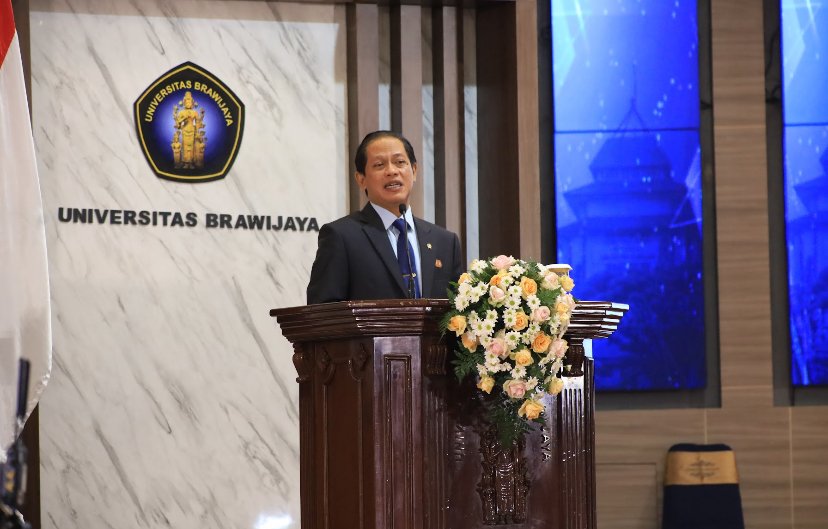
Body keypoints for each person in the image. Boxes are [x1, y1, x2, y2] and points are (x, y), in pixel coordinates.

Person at [307, 130, 464, 304]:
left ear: (414, 170)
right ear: (361, 179)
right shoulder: (341, 236)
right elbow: (322, 309)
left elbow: (458, 309)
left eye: (400, 162)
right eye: (379, 165)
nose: (391, 171)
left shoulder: (445, 242)